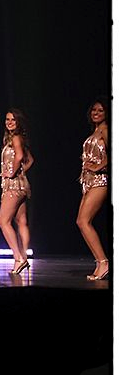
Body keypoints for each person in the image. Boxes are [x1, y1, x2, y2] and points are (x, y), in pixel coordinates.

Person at [0, 109, 35, 275]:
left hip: (13, 186)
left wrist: (12, 173)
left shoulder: (15, 138)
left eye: (13, 120)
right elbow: (30, 159)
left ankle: (18, 258)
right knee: (21, 221)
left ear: (18, 122)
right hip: (21, 185)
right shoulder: (17, 138)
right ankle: (24, 258)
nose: (10, 122)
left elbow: (20, 156)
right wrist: (21, 171)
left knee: (3, 221)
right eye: (7, 119)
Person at [77, 101, 110, 281]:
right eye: (94, 110)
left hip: (100, 180)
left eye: (100, 110)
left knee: (84, 221)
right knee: (80, 221)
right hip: (89, 181)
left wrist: (99, 166)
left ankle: (104, 262)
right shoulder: (96, 131)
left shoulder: (105, 130)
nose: (96, 113)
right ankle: (100, 262)